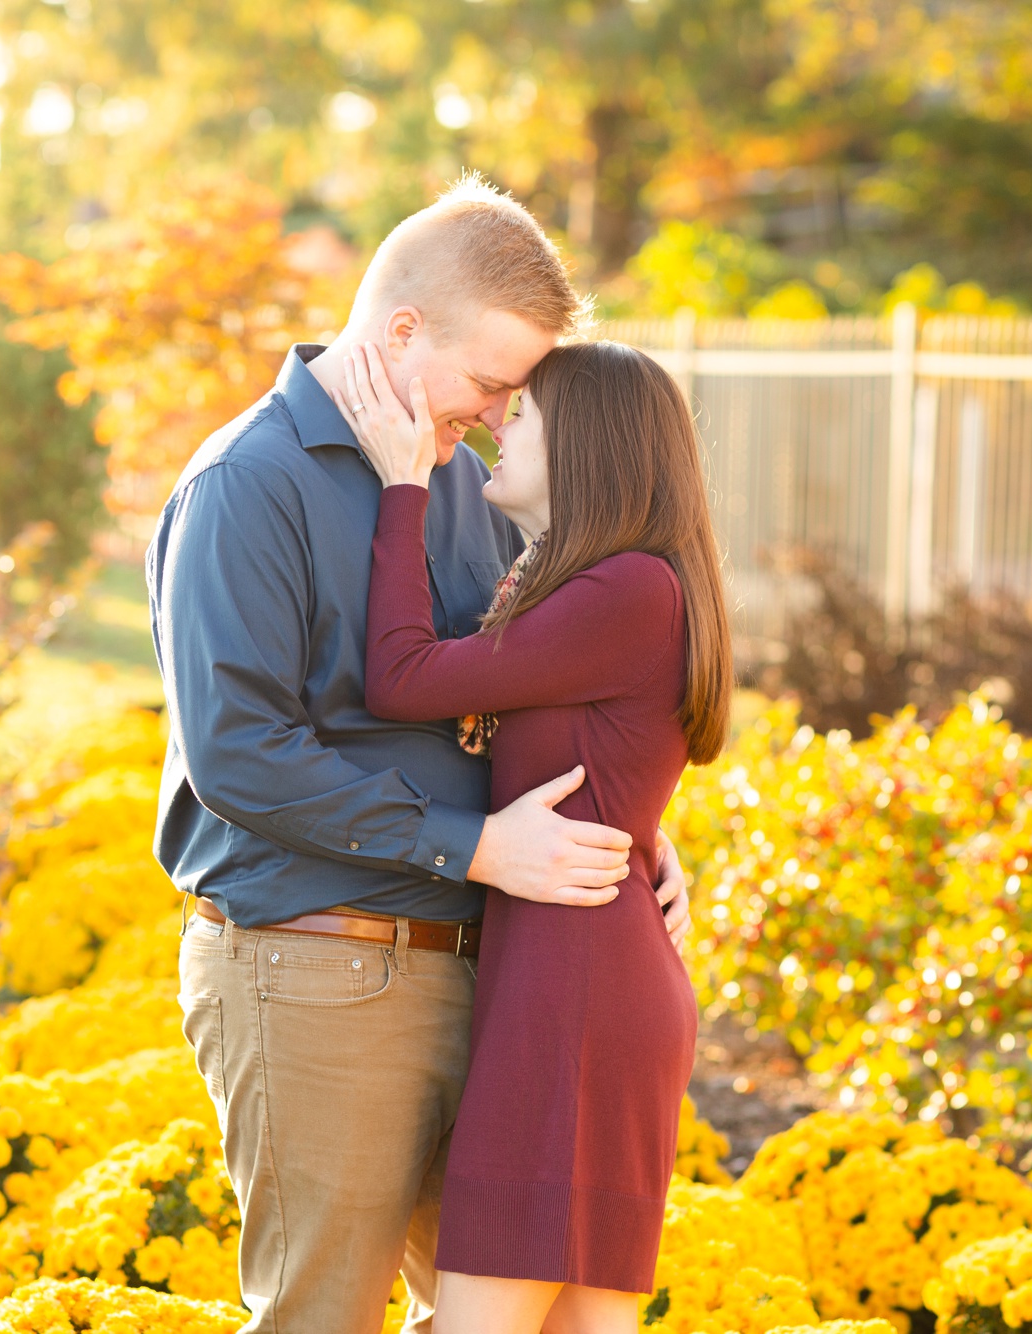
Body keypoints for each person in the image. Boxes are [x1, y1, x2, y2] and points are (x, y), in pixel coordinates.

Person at [147, 177, 691, 1334]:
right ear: (401, 332)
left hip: (497, 968)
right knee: (323, 1316)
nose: (500, 415)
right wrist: (477, 842)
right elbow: (236, 753)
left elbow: (533, 684)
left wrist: (631, 825)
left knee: (498, 1315)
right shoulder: (248, 484)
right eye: (492, 383)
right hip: (322, 967)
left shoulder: (469, 485)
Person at [336, 337, 731, 1333]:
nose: (501, 426)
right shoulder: (599, 586)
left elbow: (403, 678)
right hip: (578, 974)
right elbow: (599, 747)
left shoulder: (626, 589)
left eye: (529, 413)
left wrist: (401, 483)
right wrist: (645, 835)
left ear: (589, 446)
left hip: (575, 998)